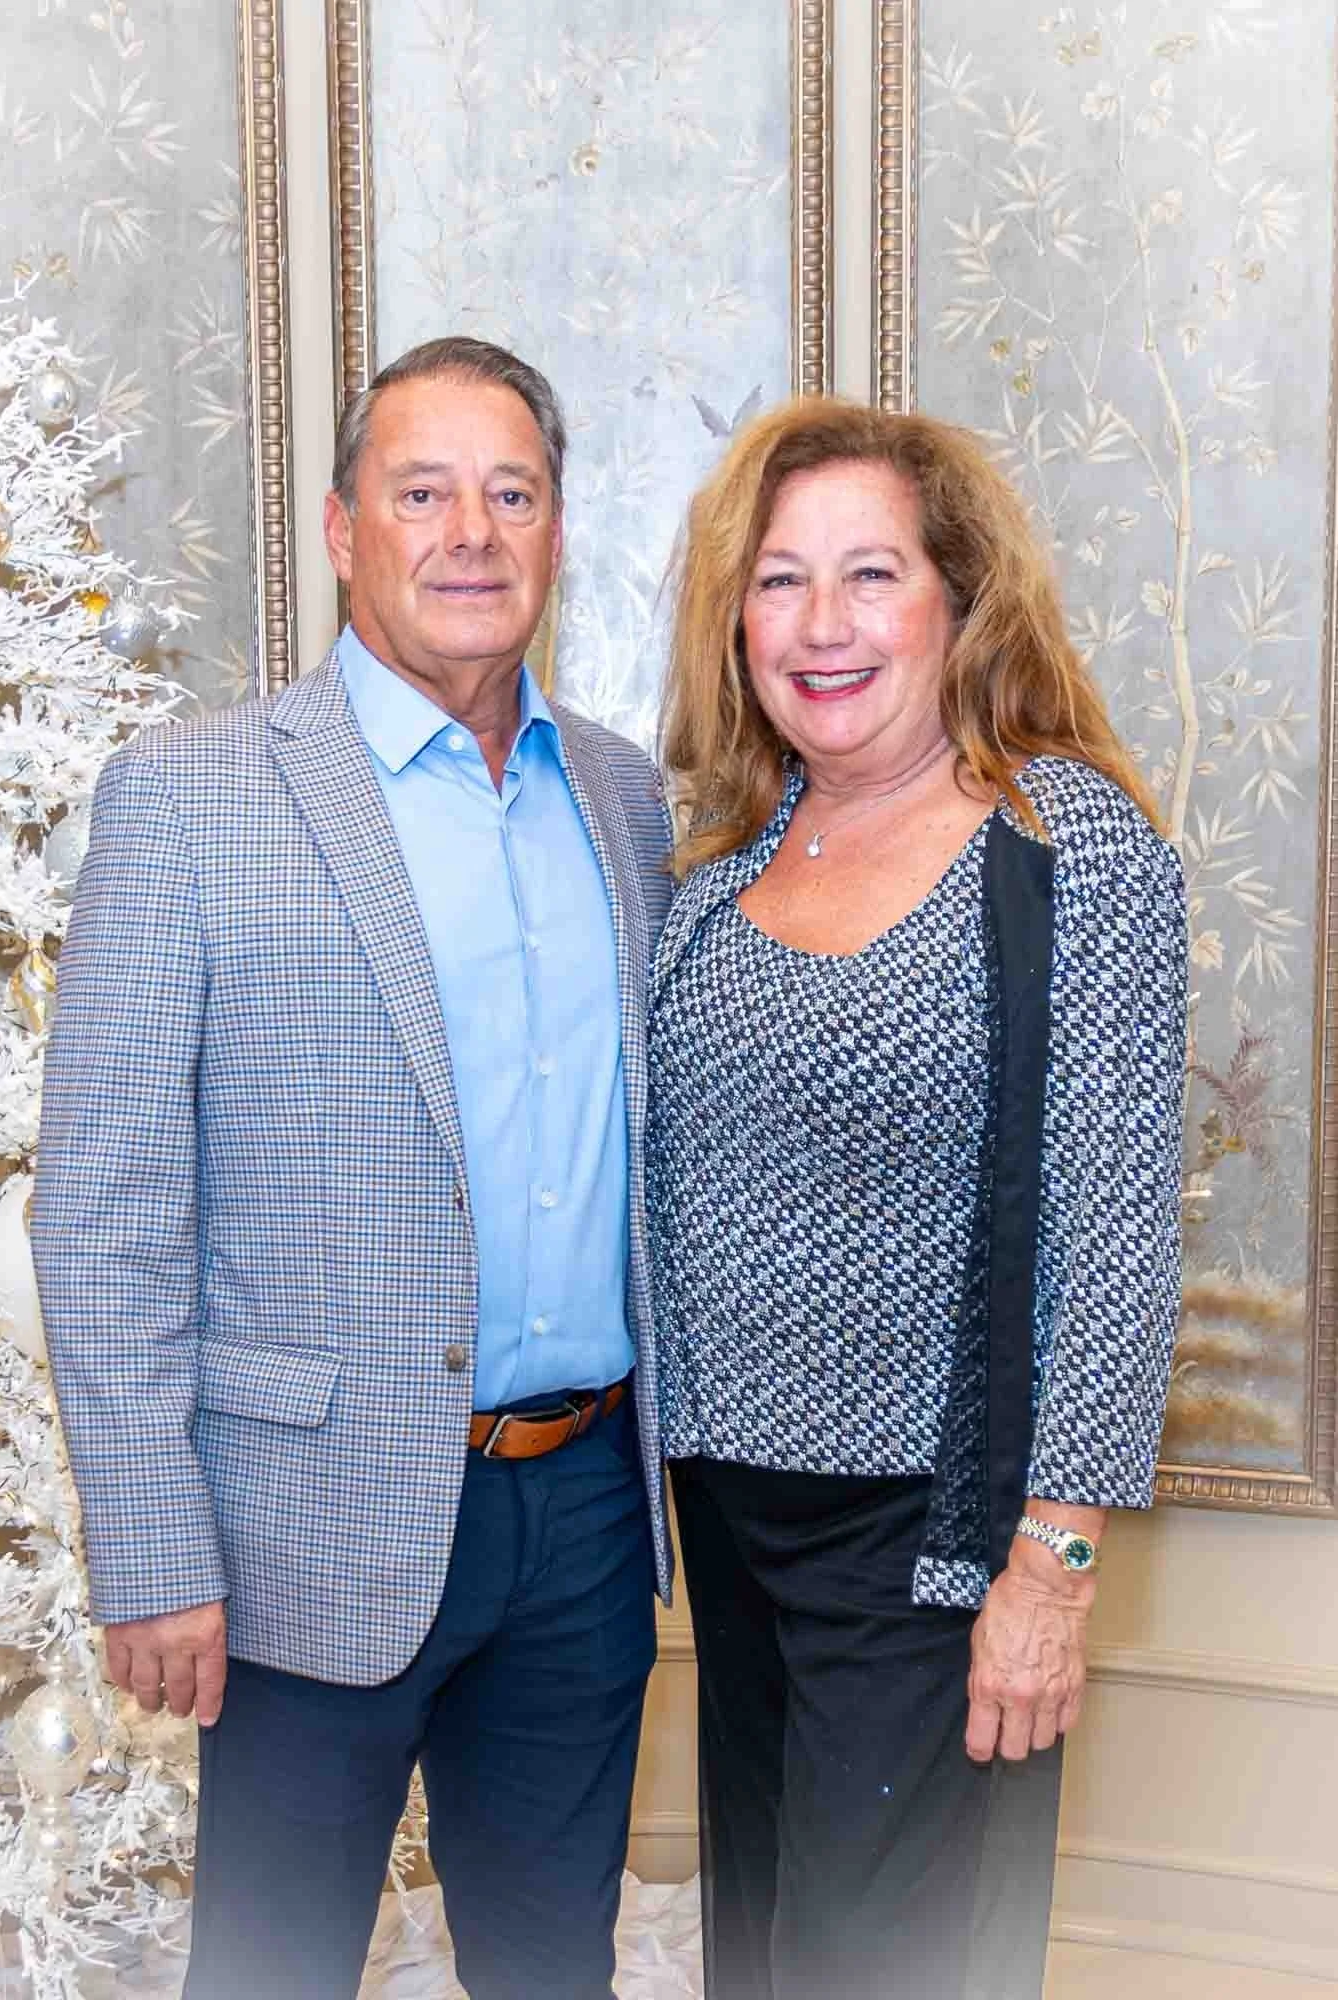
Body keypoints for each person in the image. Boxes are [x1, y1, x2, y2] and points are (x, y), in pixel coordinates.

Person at [31, 336, 675, 2000]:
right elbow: (104, 1211)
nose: (471, 530)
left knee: (554, 1967)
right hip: (305, 1525)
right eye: (422, 491)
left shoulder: (624, 797)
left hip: (588, 1508)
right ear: (341, 531)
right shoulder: (191, 801)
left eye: (511, 492)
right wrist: (156, 1548)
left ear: (554, 531)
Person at [648, 396, 1187, 2000]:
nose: (821, 626)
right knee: (760, 1947)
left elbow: (1114, 1231)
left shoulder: (1060, 841)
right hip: (727, 1518)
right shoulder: (726, 856)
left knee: (884, 1963)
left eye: (871, 575)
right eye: (779, 579)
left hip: (937, 1542)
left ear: (959, 597)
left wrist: (1052, 1571)